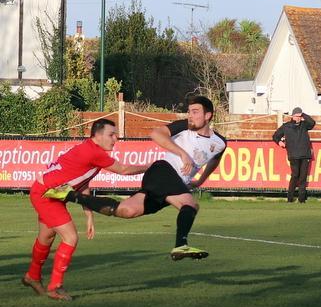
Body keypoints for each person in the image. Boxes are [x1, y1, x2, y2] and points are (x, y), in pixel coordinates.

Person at [44, 96, 226, 263]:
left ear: (208, 115)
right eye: (189, 111)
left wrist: (201, 179)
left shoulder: (220, 142)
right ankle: (181, 245)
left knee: (126, 210)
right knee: (191, 205)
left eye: (195, 112)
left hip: (169, 183)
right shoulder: (184, 126)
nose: (190, 115)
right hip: (162, 171)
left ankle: (70, 195)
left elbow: (215, 159)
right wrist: (182, 154)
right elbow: (155, 133)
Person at [24, 118, 150, 301]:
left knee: (47, 236)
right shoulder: (93, 152)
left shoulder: (90, 149)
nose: (115, 139)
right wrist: (151, 167)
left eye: (116, 135)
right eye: (111, 135)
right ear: (97, 136)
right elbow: (123, 169)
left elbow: (83, 185)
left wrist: (88, 215)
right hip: (46, 194)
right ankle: (55, 286)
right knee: (71, 237)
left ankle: (32, 277)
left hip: (52, 193)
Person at [272, 107, 316, 203]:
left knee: (303, 177)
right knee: (295, 175)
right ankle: (290, 198)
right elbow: (275, 136)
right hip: (293, 155)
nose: (299, 118)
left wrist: (303, 114)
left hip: (305, 154)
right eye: (297, 116)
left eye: (300, 116)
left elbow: (312, 123)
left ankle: (301, 199)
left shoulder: (304, 125)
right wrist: (279, 142)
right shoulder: (286, 126)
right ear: (292, 116)